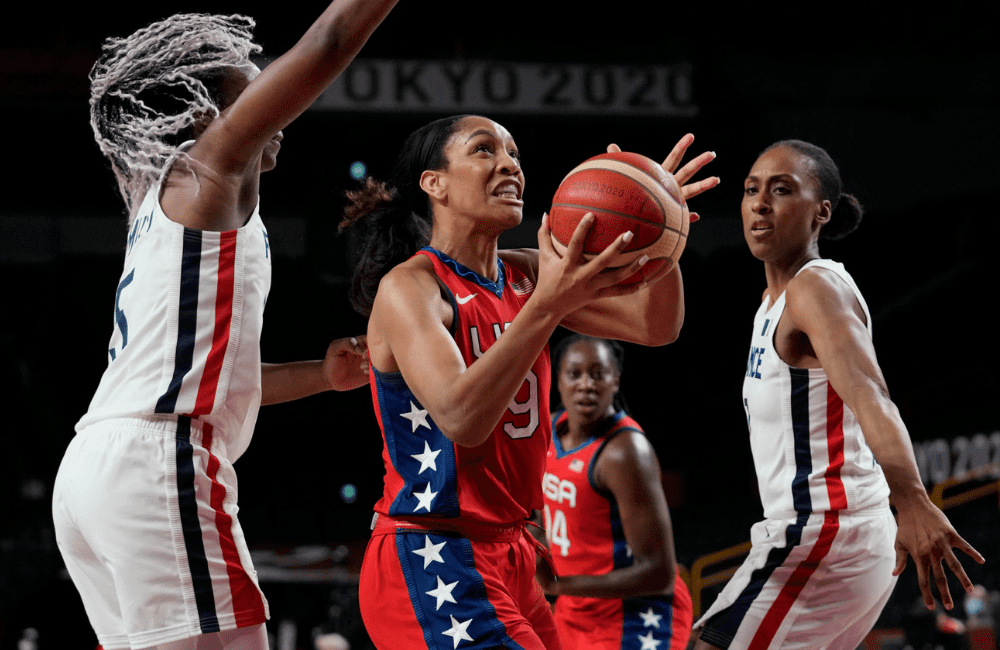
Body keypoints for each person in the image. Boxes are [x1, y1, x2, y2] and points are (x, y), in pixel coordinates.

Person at [51, 3, 398, 649]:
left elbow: (204, 375)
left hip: (99, 468)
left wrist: (320, 376)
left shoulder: (163, 208)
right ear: (210, 113)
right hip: (157, 460)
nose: (276, 107)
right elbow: (326, 41)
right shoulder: (209, 172)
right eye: (255, 89)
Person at [339, 115, 717, 649]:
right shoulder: (411, 287)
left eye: (514, 153)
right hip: (431, 553)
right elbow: (462, 418)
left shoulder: (526, 273)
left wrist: (660, 228)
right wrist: (547, 305)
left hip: (513, 550)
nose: (509, 164)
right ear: (435, 183)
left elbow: (656, 326)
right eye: (484, 150)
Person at [691, 140, 985, 650]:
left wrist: (912, 499)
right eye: (751, 190)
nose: (760, 204)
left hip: (827, 532)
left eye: (782, 191)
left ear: (821, 211)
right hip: (828, 533)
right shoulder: (772, 303)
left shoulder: (815, 289)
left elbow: (871, 393)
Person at [536, 334, 692, 650]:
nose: (586, 385)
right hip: (575, 607)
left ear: (615, 381)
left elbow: (659, 574)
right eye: (574, 374)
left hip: (634, 612)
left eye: (598, 374)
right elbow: (539, 517)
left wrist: (557, 585)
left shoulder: (624, 452)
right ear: (558, 380)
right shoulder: (547, 432)